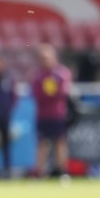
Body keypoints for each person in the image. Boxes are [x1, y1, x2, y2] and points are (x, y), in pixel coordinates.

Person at [30, 43, 72, 178]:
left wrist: (49, 91)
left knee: (60, 143)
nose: (45, 61)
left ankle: (62, 172)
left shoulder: (62, 73)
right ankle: (39, 173)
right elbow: (37, 94)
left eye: (47, 57)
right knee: (42, 145)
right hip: (43, 115)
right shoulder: (37, 75)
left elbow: (63, 92)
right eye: (42, 58)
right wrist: (50, 92)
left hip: (58, 114)